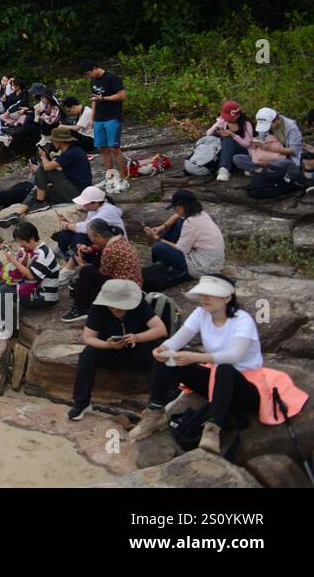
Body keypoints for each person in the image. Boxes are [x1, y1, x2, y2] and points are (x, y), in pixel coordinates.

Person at [129, 275, 308, 454]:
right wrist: (163, 349)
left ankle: (213, 428)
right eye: (202, 294)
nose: (204, 298)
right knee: (166, 359)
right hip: (217, 381)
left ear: (227, 298)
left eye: (211, 294)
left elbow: (234, 356)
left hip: (246, 387)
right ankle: (155, 413)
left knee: (225, 369)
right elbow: (177, 340)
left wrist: (194, 357)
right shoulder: (200, 313)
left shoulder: (242, 320)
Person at [67, 279, 167, 421]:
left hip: (137, 352)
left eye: (120, 306)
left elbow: (161, 329)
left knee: (161, 348)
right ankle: (81, 402)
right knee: (87, 354)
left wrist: (137, 337)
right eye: (113, 306)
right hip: (111, 353)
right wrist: (107, 345)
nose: (117, 309)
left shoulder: (140, 305)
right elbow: (88, 338)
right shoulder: (98, 308)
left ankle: (159, 402)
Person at [61, 218, 142, 323]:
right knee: (90, 270)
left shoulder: (110, 250)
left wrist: (82, 265)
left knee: (86, 271)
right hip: (133, 284)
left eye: (90, 237)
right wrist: (91, 249)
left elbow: (103, 273)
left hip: (126, 290)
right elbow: (101, 248)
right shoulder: (118, 239)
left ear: (98, 236)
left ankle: (81, 309)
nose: (90, 240)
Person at [141, 189, 225, 288]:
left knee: (158, 247)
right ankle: (165, 258)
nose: (175, 210)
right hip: (212, 263)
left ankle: (171, 264)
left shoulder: (190, 223)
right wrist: (162, 227)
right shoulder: (201, 213)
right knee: (179, 222)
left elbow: (181, 248)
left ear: (182, 206)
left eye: (175, 208)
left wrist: (157, 238)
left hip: (202, 268)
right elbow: (177, 216)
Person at [80, 60, 126, 178]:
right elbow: (94, 100)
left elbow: (122, 95)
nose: (88, 77)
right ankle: (110, 177)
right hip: (98, 118)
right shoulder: (93, 82)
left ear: (94, 68)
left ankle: (122, 177)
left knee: (114, 147)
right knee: (103, 149)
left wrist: (104, 98)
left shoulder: (113, 78)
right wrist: (92, 118)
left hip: (112, 117)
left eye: (88, 74)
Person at [28, 125, 92, 212]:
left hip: (77, 192)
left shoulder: (71, 153)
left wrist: (43, 156)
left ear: (59, 141)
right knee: (36, 192)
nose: (52, 143)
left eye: (53, 140)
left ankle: (40, 203)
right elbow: (62, 170)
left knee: (43, 167)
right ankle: (17, 214)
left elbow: (46, 167)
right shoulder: (73, 150)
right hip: (77, 190)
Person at [54, 185, 125, 260]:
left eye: (86, 203)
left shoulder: (107, 211)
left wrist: (67, 225)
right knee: (65, 233)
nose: (84, 206)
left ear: (95, 203)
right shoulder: (94, 209)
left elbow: (87, 227)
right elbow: (85, 226)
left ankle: (78, 258)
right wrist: (68, 224)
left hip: (109, 242)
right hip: (98, 236)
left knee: (79, 237)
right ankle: (68, 254)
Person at [231, 107, 304, 176]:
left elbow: (293, 150)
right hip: (265, 158)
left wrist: (271, 148)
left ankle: (262, 171)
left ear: (276, 121)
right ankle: (267, 171)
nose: (267, 128)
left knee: (280, 163)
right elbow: (261, 138)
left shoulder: (291, 128)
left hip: (284, 158)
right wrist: (256, 143)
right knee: (237, 158)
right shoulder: (265, 126)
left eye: (268, 125)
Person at [207, 101, 254, 181]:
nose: (227, 118)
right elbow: (208, 134)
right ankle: (224, 169)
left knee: (228, 138)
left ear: (237, 115)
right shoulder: (223, 121)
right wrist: (217, 127)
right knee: (226, 139)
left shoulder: (246, 124)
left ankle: (230, 167)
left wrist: (233, 135)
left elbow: (247, 144)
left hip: (243, 152)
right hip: (228, 153)